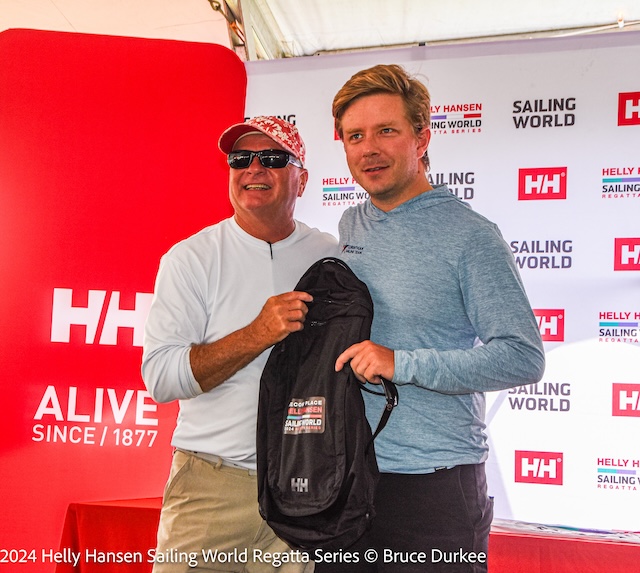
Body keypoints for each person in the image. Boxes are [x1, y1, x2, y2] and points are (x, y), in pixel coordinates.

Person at [330, 64, 545, 572]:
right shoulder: (350, 222)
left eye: (387, 130)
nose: (369, 149)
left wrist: (401, 363)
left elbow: (522, 356)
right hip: (348, 477)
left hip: (435, 485)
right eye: (354, 136)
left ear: (422, 137)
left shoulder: (471, 235)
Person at [142, 116, 337, 573]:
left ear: (302, 179)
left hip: (304, 489)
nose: (254, 168)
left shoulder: (332, 255)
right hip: (211, 487)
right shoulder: (191, 258)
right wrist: (258, 333)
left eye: (272, 158)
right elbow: (162, 379)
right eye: (240, 159)